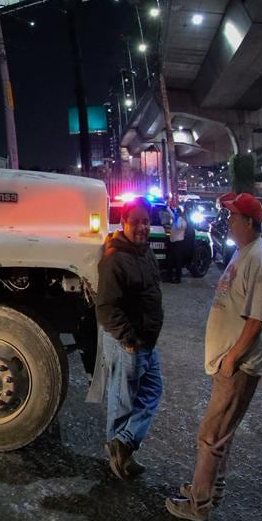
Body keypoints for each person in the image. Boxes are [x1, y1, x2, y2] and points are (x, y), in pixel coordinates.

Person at [166, 192, 262, 521]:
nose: (227, 221)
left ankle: (199, 505)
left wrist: (231, 359)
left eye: (232, 217)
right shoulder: (245, 252)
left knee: (211, 434)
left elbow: (257, 320)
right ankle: (210, 490)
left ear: (248, 222)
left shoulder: (257, 258)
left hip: (239, 365)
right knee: (221, 433)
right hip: (231, 362)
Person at [95, 196, 165, 479]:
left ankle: (123, 444)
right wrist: (128, 340)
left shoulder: (144, 252)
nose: (142, 227)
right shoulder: (115, 259)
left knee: (151, 392)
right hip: (130, 343)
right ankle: (120, 458)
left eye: (146, 222)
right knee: (123, 402)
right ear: (123, 222)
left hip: (147, 341)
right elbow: (105, 307)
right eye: (135, 222)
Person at [165, 200, 187, 283]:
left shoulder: (182, 221)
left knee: (178, 262)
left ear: (180, 213)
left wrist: (179, 218)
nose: (176, 214)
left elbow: (178, 226)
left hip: (178, 244)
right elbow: (170, 213)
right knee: (171, 261)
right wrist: (167, 207)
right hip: (173, 243)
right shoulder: (177, 218)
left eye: (177, 212)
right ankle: (170, 277)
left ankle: (178, 278)